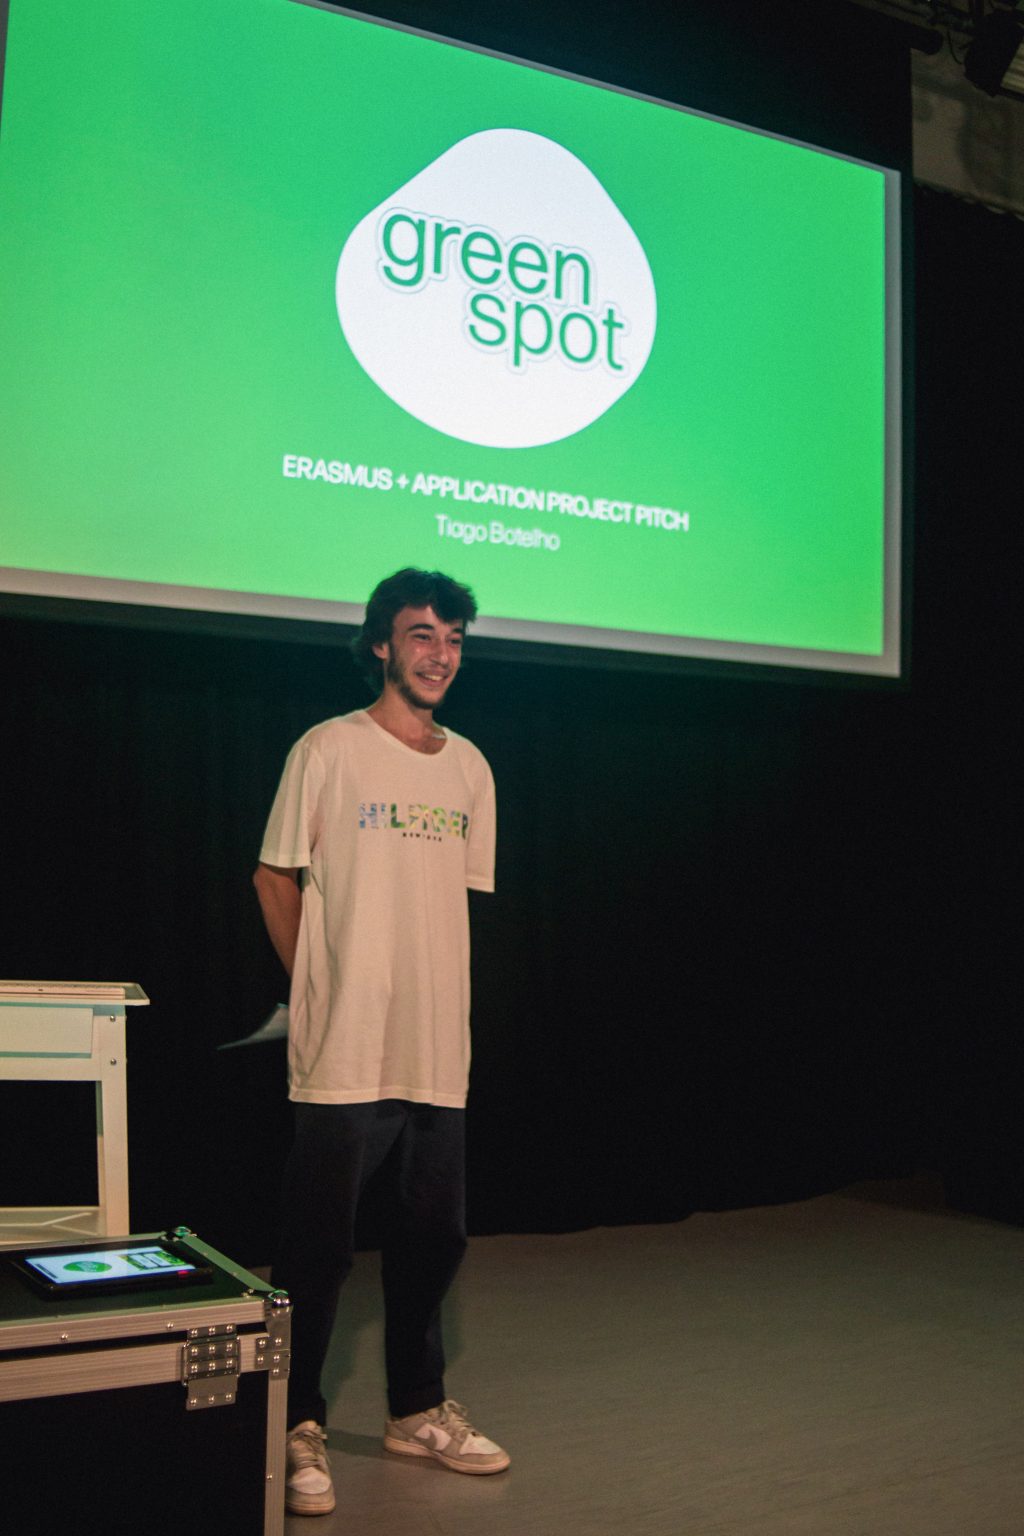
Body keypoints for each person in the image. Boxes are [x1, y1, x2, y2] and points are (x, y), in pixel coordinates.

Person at [253, 567, 507, 1517]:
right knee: (319, 1247)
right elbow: (274, 877)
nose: (440, 654)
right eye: (421, 635)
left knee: (433, 1238)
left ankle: (416, 1408)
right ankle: (294, 1420)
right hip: (346, 1050)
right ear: (380, 645)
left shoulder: (471, 767)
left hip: (435, 1048)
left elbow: (451, 904)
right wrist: (315, 991)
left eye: (454, 639)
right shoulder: (328, 749)